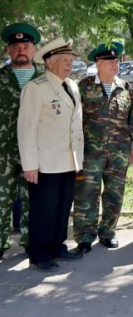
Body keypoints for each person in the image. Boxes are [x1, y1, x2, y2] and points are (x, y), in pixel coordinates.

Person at [18, 38, 84, 272]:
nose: (69, 64)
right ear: (48, 62)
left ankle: (57, 246)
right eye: (64, 60)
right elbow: (27, 128)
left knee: (63, 206)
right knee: (43, 210)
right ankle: (39, 254)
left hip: (68, 159)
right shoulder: (36, 88)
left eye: (71, 60)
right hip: (45, 162)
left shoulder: (72, 86)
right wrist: (30, 164)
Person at [72, 41, 133, 253]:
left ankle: (108, 232)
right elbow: (74, 119)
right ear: (98, 63)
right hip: (90, 151)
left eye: (116, 60)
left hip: (119, 151)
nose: (115, 64)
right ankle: (84, 235)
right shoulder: (83, 87)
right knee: (86, 193)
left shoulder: (126, 88)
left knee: (115, 193)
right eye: (109, 61)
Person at [0, 22, 41, 259]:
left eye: (26, 46)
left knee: (32, 198)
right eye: (16, 47)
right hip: (3, 150)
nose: (21, 51)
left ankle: (30, 240)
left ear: (34, 49)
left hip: (35, 151)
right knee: (2, 198)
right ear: (8, 51)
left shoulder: (44, 78)